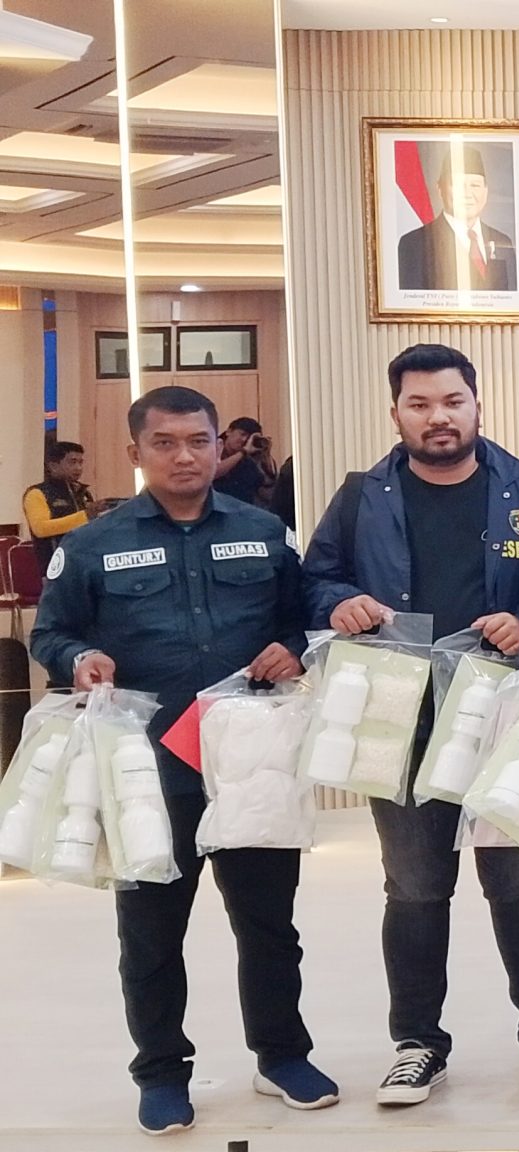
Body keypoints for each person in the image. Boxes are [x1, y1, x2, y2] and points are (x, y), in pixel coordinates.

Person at [31, 385, 333, 1135]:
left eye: (199, 441)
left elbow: (304, 619)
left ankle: (282, 1056)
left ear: (217, 445)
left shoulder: (264, 531)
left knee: (269, 924)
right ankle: (162, 1072)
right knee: (150, 934)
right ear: (136, 452)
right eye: (164, 443)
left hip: (250, 763)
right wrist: (79, 657)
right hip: (147, 771)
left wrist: (293, 648)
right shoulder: (93, 545)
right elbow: (50, 633)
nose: (184, 456)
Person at [299, 344, 519, 1105]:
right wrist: (339, 603)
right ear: (395, 413)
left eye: (452, 401)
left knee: (518, 878)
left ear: (476, 404)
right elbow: (316, 579)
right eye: (419, 404)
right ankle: (417, 1042)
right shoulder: (361, 496)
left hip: (503, 716)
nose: (438, 417)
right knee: (416, 887)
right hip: (400, 721)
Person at [397, 148, 517, 293]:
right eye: (458, 185)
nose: (467, 194)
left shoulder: (502, 242)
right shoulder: (415, 243)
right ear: (440, 189)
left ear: (486, 191)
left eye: (475, 185)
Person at [22, 439, 100, 575]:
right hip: (53, 566)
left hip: (84, 564)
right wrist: (85, 516)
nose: (78, 468)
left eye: (81, 462)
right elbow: (41, 528)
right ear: (53, 466)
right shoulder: (37, 493)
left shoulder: (82, 492)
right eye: (72, 462)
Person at [214, 417, 274, 506]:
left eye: (249, 438)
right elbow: (212, 473)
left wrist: (265, 457)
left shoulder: (248, 461)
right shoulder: (211, 448)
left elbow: (266, 492)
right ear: (229, 431)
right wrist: (243, 452)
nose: (244, 440)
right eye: (242, 434)